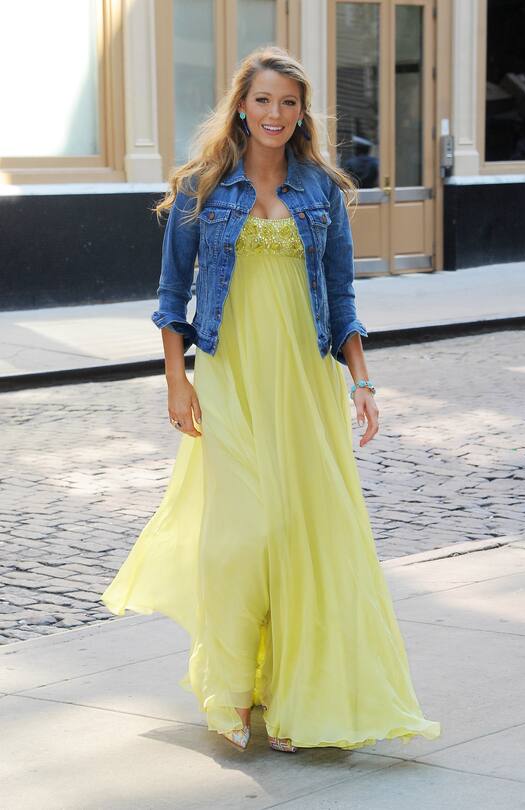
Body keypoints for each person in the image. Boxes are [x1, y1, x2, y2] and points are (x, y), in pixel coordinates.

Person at [100, 45, 441, 754]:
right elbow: (171, 298)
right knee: (242, 535)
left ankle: (288, 695)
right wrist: (177, 378)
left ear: (301, 111)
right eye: (263, 100)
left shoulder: (322, 191)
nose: (275, 114)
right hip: (230, 376)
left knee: (299, 536)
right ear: (241, 105)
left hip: (303, 381)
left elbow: (343, 297)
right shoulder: (201, 187)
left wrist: (363, 381)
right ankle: (229, 689)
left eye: (288, 102)